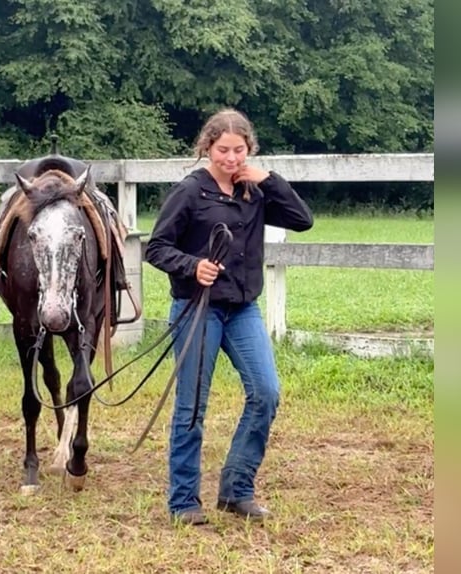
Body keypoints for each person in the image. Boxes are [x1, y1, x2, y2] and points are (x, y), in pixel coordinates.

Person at [145, 108, 313, 526]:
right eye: (223, 150)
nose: (232, 159)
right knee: (192, 406)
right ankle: (184, 501)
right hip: (196, 308)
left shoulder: (255, 193)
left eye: (240, 150)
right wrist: (191, 266)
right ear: (207, 147)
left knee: (266, 392)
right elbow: (156, 248)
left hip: (242, 308)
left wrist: (269, 181)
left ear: (249, 150)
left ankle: (236, 489)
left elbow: (302, 220)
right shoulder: (189, 192)